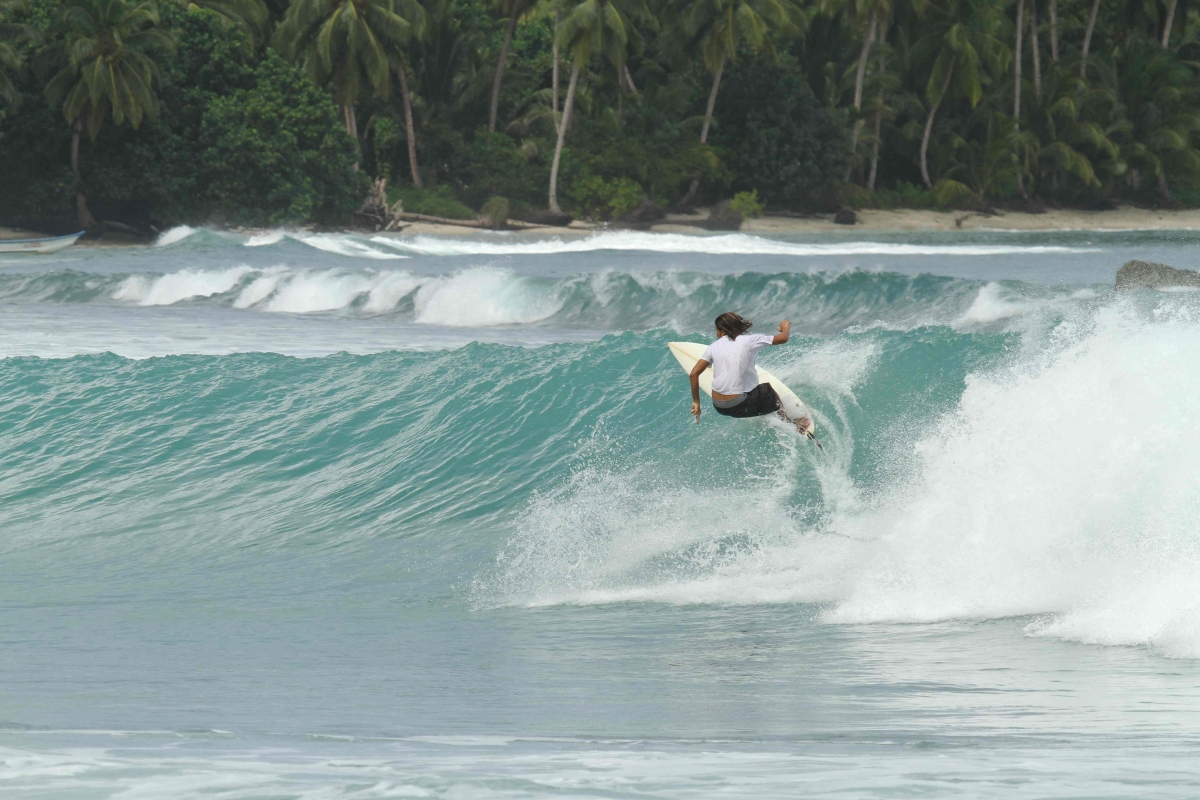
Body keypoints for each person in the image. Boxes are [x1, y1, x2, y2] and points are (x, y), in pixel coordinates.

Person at [689, 312, 811, 434]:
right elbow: (784, 338)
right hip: (738, 404)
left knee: (749, 388)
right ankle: (792, 423)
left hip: (719, 407)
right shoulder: (750, 340)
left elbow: (694, 374)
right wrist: (785, 329)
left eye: (717, 331)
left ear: (722, 331)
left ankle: (770, 415)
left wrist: (696, 402)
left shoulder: (712, 347)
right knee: (767, 391)